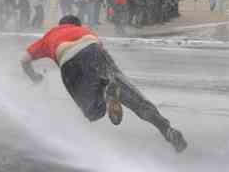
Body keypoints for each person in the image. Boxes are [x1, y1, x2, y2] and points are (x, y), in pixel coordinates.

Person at [20, 15, 188, 153]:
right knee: (135, 100)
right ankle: (167, 130)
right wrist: (114, 76)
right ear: (76, 24)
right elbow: (103, 56)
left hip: (68, 63)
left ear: (60, 25)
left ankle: (107, 98)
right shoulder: (83, 30)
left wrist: (35, 78)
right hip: (92, 49)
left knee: (94, 112)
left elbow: (24, 60)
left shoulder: (50, 35)